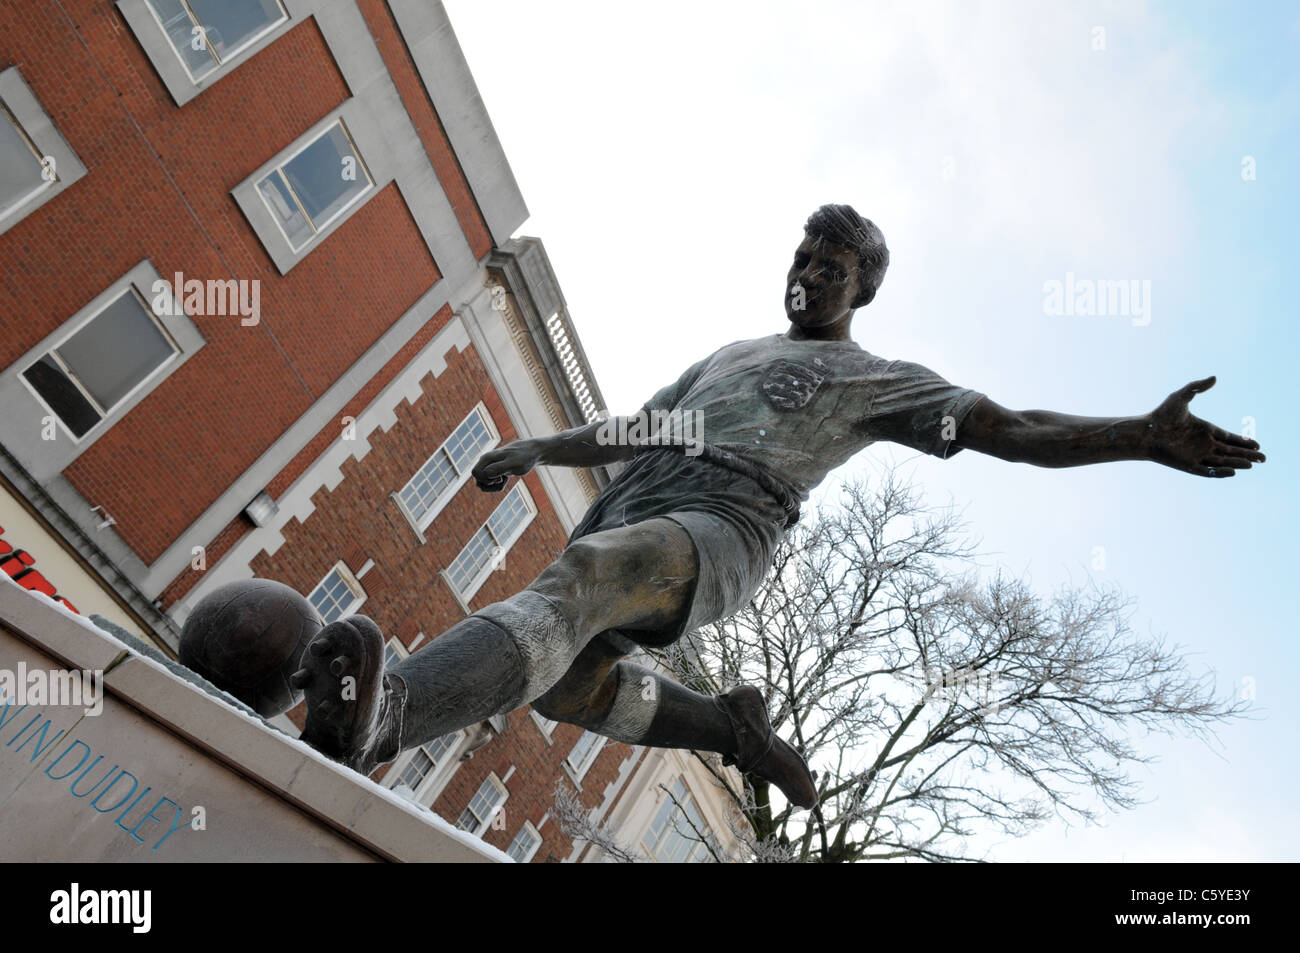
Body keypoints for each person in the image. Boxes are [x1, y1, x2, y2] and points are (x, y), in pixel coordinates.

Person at [292, 204, 1265, 810]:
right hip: (640, 496)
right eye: (801, 257)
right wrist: (543, 446)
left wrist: (1135, 433)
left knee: (587, 579)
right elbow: (638, 429)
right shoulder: (726, 356)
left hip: (728, 523)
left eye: (830, 269)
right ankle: (728, 729)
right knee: (560, 680)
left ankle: (389, 714)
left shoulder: (874, 377)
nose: (807, 276)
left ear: (862, 287)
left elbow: (1004, 424)